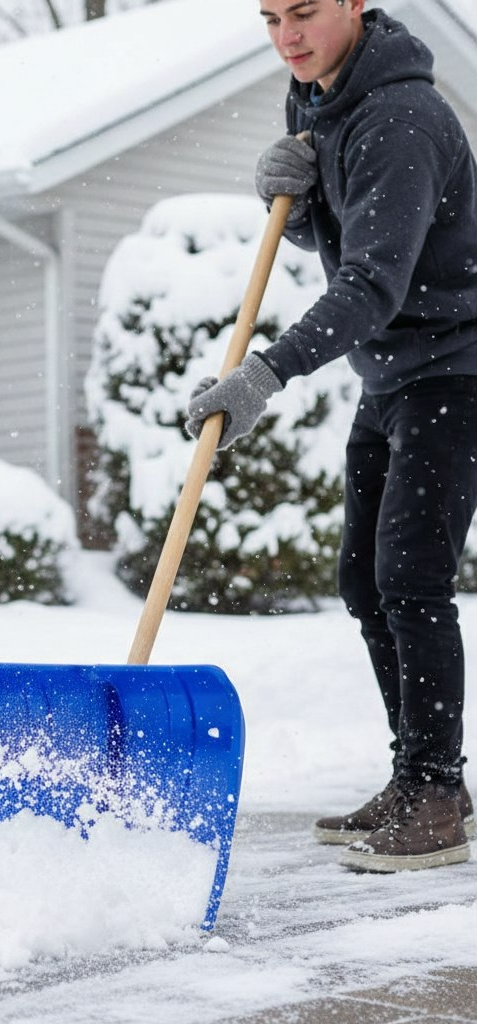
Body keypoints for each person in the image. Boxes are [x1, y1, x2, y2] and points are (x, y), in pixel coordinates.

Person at [186, 0, 477, 872]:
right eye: (270, 18)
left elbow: (373, 283)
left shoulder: (403, 118)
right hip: (387, 378)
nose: (288, 36)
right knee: (362, 578)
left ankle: (434, 789)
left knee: (409, 576)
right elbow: (334, 234)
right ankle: (418, 776)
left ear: (355, 3)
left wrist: (263, 375)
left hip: (454, 370)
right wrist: (299, 200)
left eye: (305, 13)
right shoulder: (314, 98)